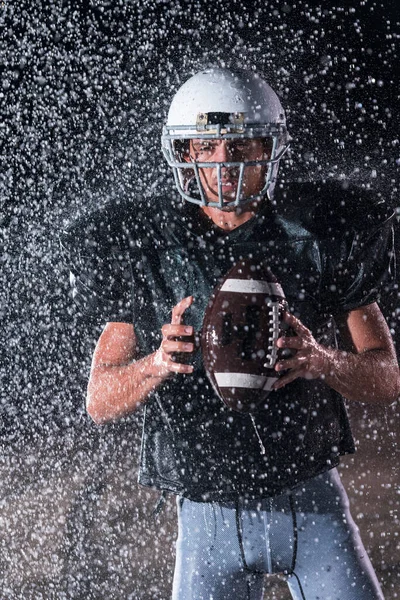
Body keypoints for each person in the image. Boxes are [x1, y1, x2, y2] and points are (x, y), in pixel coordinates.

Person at [63, 68, 399, 600]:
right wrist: (156, 362)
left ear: (269, 147)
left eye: (241, 144)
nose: (225, 164)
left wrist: (322, 361)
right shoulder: (149, 243)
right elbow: (100, 401)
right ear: (186, 153)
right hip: (205, 515)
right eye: (207, 146)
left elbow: (386, 378)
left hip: (311, 500)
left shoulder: (317, 230)